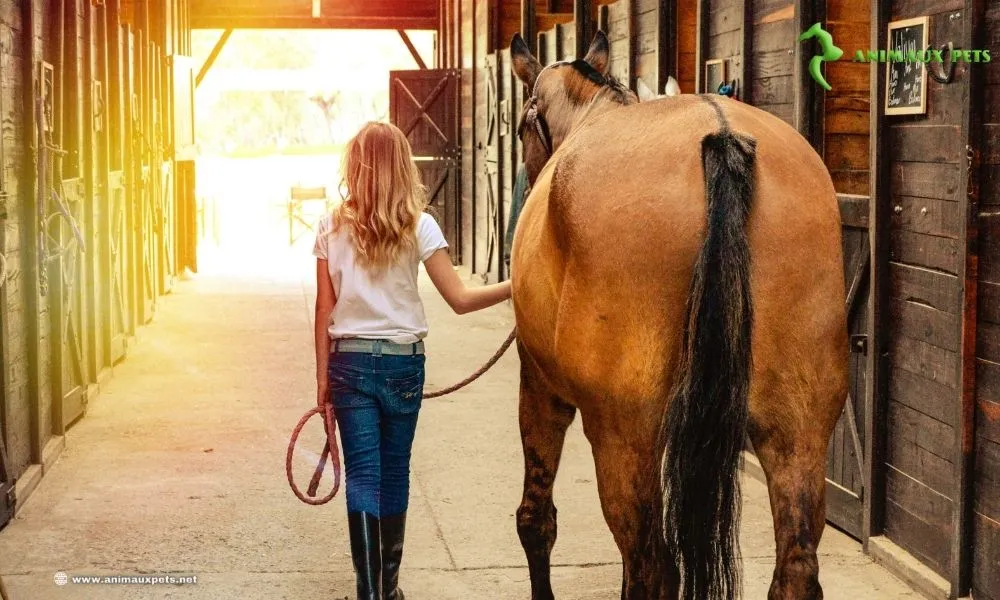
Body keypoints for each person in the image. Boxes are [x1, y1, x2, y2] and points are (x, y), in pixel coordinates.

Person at [313, 121, 512, 600]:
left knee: (362, 475)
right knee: (394, 471)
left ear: (354, 166)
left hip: (349, 365)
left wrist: (322, 384)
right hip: (403, 364)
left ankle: (368, 593)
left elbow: (324, 309)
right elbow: (461, 300)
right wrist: (519, 286)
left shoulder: (329, 226)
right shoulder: (420, 225)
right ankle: (389, 588)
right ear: (403, 166)